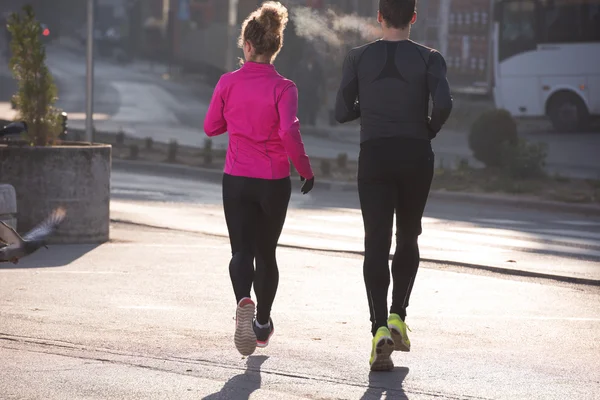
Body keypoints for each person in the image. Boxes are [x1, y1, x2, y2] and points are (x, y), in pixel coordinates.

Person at [334, 0, 452, 371]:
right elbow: (445, 103)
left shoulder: (357, 57)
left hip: (375, 155)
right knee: (409, 236)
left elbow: (340, 111)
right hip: (417, 155)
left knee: (375, 242)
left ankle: (379, 328)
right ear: (414, 18)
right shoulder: (430, 57)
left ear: (379, 17)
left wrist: (364, 108)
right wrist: (428, 129)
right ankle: (399, 314)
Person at [203, 1, 315, 357]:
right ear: (276, 46)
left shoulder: (227, 82)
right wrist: (305, 169)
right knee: (266, 254)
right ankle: (262, 323)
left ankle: (242, 301)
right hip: (272, 181)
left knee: (241, 250)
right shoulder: (285, 88)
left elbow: (210, 127)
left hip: (236, 177)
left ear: (247, 46)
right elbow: (288, 131)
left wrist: (234, 124)